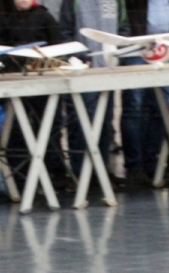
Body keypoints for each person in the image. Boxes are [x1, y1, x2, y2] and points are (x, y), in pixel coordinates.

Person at [60, 0, 131, 176]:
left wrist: (118, 56)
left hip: (108, 72)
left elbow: (124, 31)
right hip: (82, 72)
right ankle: (79, 173)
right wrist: (80, 57)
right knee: (81, 121)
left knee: (106, 121)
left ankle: (102, 171)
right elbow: (65, 32)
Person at [121, 0, 169, 184]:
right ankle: (135, 167)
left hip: (165, 49)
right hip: (136, 49)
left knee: (162, 107)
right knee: (134, 107)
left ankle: (152, 163)